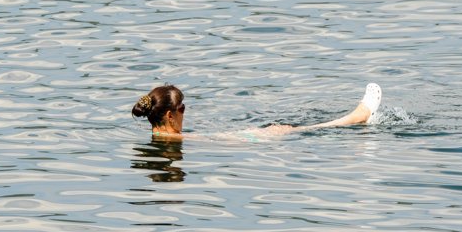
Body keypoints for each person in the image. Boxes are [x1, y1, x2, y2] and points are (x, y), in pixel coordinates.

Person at [132, 83, 382, 141]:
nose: (185, 113)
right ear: (169, 115)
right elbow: (217, 141)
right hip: (251, 142)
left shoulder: (159, 139)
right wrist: (259, 135)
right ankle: (358, 117)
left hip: (246, 138)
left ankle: (356, 117)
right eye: (183, 109)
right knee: (297, 130)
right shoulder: (178, 140)